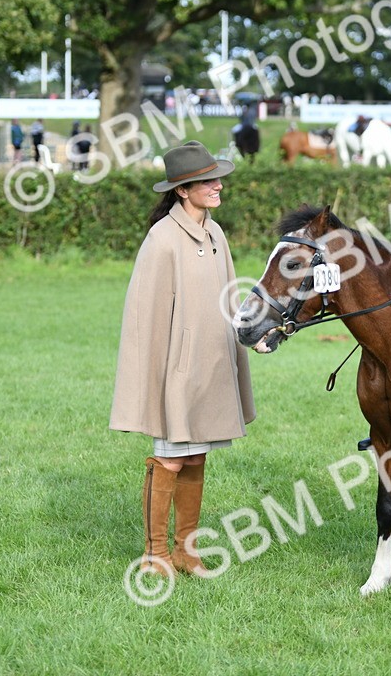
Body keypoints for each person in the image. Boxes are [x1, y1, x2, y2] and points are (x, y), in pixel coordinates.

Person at [110, 141, 256, 578]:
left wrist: (247, 338)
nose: (217, 186)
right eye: (206, 181)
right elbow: (144, 318)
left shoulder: (215, 233)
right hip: (176, 370)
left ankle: (185, 552)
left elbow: (230, 298)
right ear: (181, 190)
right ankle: (155, 555)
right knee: (171, 459)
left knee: (196, 457)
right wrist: (153, 382)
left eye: (217, 177)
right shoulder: (163, 239)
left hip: (210, 368)